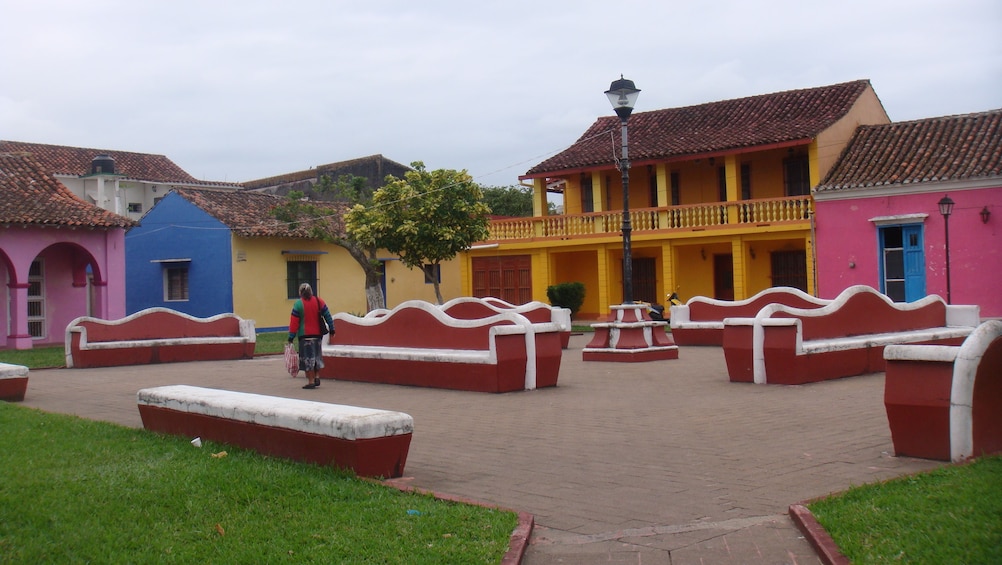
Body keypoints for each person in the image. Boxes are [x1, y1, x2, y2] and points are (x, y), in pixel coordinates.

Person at [288, 283, 335, 389]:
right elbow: (327, 315)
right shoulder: (319, 301)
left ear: (300, 293)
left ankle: (311, 381)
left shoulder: (298, 304)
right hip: (317, 335)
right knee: (316, 356)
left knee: (307, 359)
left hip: (304, 336)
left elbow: (294, 322)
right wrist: (332, 329)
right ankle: (317, 376)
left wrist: (291, 336)